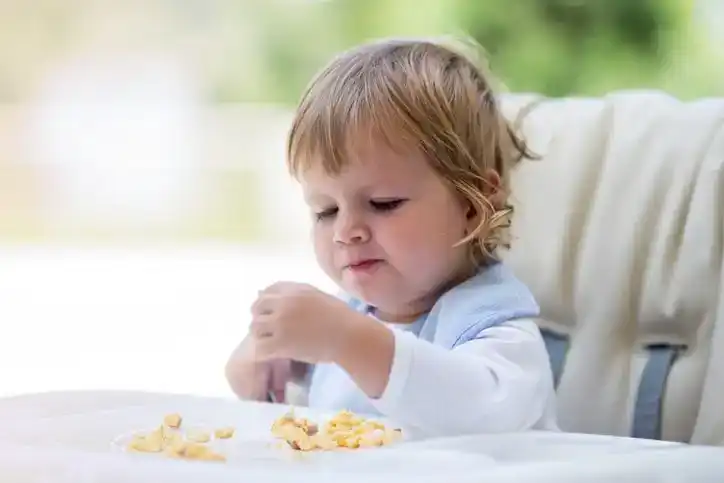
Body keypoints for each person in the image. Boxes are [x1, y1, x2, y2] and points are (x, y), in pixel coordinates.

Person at [225, 36, 558, 436]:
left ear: (472, 206)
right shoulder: (349, 321)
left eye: (383, 203)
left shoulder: (498, 330)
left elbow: (479, 414)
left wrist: (347, 339)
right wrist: (267, 354)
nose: (347, 231)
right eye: (325, 211)